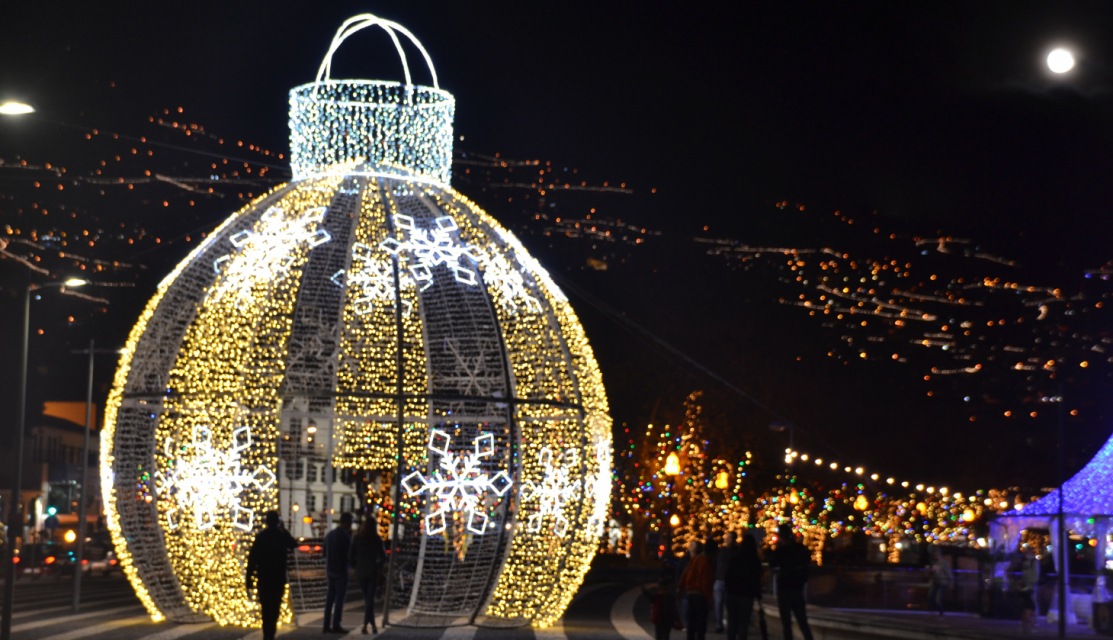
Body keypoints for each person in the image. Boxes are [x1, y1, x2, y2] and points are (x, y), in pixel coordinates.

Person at [245, 511, 297, 640]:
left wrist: (249, 579)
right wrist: (284, 529)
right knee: (275, 608)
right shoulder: (281, 535)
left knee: (265, 608)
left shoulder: (261, 537)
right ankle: (271, 633)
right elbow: (294, 544)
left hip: (263, 577)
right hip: (278, 577)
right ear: (278, 522)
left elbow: (252, 559)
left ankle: (266, 634)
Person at [769, 524, 813, 640]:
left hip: (785, 588)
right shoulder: (799, 548)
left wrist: (776, 547)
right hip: (797, 588)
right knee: (802, 621)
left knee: (786, 623)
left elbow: (772, 562)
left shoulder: (782, 550)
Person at [349, 509, 387, 635]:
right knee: (369, 599)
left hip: (360, 571)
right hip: (372, 571)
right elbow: (383, 556)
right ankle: (369, 625)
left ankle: (369, 624)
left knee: (367, 598)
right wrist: (379, 566)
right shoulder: (376, 539)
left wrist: (356, 566)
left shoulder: (358, 538)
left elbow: (351, 556)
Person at [725, 533, 763, 640]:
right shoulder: (754, 561)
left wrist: (728, 589)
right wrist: (758, 596)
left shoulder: (735, 558)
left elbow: (727, 576)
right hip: (747, 595)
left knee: (732, 622)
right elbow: (756, 580)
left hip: (732, 593)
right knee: (744, 623)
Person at [323, 512, 354, 633]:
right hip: (341, 570)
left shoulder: (329, 535)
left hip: (330, 570)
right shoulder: (345, 537)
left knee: (330, 598)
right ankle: (336, 624)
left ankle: (326, 624)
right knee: (340, 599)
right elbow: (349, 555)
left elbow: (325, 553)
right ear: (347, 523)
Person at [677, 540, 713, 640]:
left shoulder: (694, 559)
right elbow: (706, 581)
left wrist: (680, 588)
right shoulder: (707, 562)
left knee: (691, 622)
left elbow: (685, 574)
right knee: (701, 622)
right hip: (700, 595)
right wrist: (709, 597)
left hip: (690, 593)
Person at [713, 532, 736, 632]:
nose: (727, 539)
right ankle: (719, 624)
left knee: (729, 604)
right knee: (718, 603)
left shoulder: (736, 551)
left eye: (730, 537)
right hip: (720, 579)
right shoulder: (721, 551)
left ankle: (730, 624)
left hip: (730, 581)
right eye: (727, 537)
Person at [926, 546, 952, 616]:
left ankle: (941, 612)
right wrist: (929, 571)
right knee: (930, 596)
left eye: (936, 554)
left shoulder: (943, 562)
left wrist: (951, 583)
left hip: (942, 583)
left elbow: (948, 573)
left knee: (937, 599)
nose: (935, 556)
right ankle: (932, 611)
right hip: (936, 582)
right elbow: (933, 574)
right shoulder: (935, 563)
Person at [1018, 549, 1039, 633]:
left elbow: (1035, 574)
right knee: (1027, 607)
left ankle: (1033, 624)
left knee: (1029, 606)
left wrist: (1031, 585)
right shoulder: (1026, 562)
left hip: (1030, 587)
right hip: (1027, 586)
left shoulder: (1033, 562)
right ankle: (1026, 625)